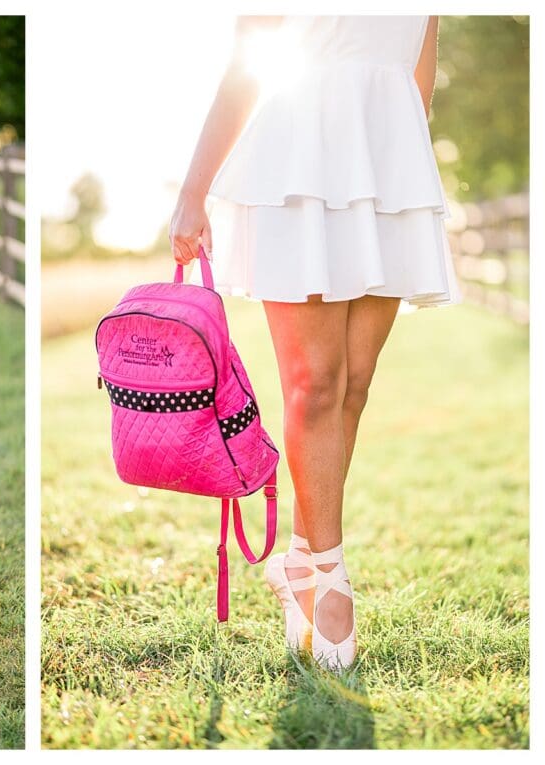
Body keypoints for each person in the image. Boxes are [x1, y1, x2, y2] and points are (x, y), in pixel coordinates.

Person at [170, 16, 461, 671]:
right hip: (299, 160)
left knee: (355, 381)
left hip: (389, 160)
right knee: (316, 380)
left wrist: (403, 161)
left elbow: (419, 73)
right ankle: (328, 577)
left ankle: (300, 558)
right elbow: (247, 65)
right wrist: (194, 192)